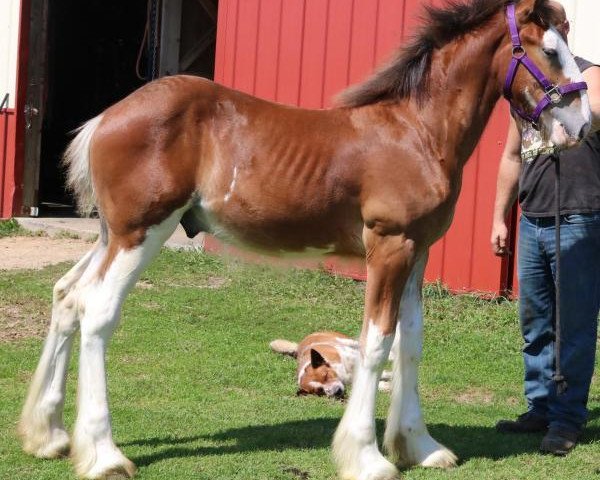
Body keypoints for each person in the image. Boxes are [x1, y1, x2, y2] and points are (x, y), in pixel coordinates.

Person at [491, 1, 600, 456]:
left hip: (580, 215)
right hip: (534, 217)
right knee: (535, 323)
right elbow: (512, 156)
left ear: (565, 28)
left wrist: (564, 85)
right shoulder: (527, 89)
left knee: (573, 324)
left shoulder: (591, 76)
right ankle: (540, 406)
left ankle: (567, 418)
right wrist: (499, 216)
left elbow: (590, 120)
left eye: (553, 27)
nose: (546, 34)